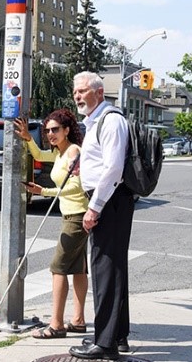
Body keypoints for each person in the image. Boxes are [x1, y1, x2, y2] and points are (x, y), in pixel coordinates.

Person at [68, 71, 134, 361]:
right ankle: (115, 336)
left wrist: (94, 208)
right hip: (108, 199)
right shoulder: (97, 121)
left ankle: (105, 343)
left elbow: (114, 169)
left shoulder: (111, 120)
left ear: (99, 91)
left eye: (83, 91)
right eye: (75, 93)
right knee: (113, 270)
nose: (79, 97)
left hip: (109, 201)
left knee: (105, 270)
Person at [13, 109, 89, 339]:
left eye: (55, 130)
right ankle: (78, 320)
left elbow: (78, 186)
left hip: (77, 216)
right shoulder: (60, 152)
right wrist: (28, 137)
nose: (51, 134)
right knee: (77, 269)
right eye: (48, 131)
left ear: (67, 130)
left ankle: (56, 325)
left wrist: (44, 191)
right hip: (73, 214)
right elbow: (38, 155)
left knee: (57, 268)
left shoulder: (74, 151)